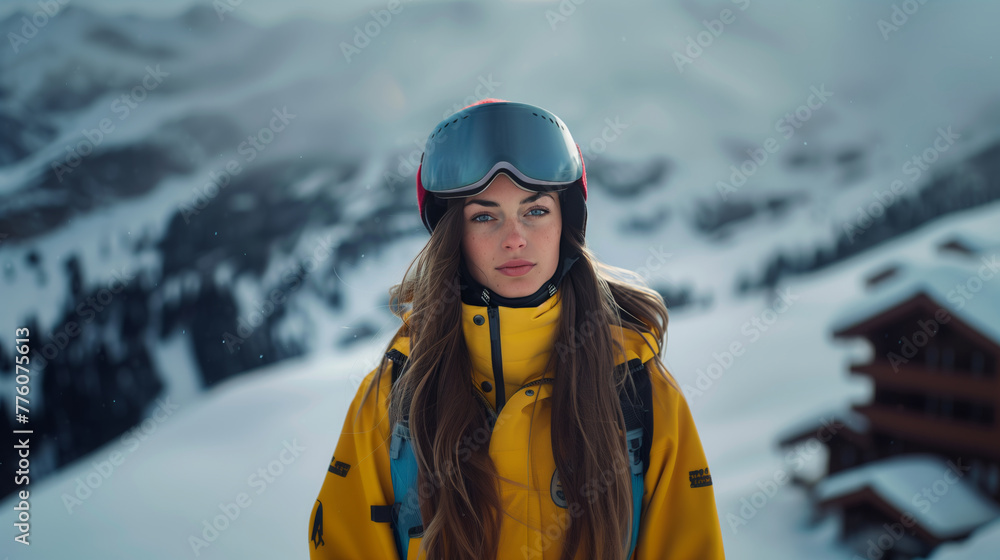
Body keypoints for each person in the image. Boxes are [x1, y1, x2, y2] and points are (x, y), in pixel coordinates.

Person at [308, 99, 726, 559]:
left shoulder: (638, 390)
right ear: (453, 235)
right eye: (485, 216)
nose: (515, 238)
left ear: (566, 220)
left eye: (536, 210)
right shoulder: (395, 398)